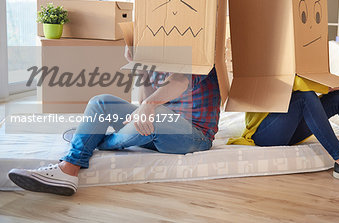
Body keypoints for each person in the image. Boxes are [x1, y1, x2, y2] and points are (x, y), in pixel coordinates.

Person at [8, 46, 221, 196]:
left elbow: (178, 82)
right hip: (155, 128)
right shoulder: (156, 52)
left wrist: (149, 104)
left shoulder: (198, 48)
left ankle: (99, 140)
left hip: (194, 135)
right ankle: (69, 168)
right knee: (100, 102)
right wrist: (140, 66)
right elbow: (141, 104)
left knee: (154, 113)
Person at [228, 76, 339, 187]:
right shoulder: (262, 52)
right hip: (264, 132)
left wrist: (328, 84)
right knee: (305, 96)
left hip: (289, 128)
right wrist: (323, 86)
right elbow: (284, 81)